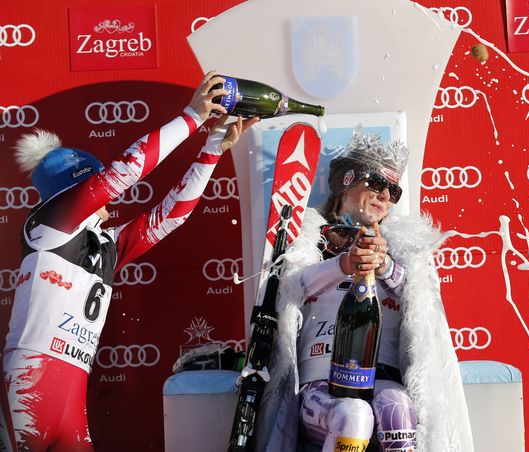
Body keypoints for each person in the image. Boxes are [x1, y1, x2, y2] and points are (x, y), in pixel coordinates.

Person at [1, 71, 258, 451]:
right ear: (76, 188)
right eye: (95, 187)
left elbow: (170, 216)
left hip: (71, 383)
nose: (108, 199)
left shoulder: (102, 242)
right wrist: (191, 116)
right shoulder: (50, 223)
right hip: (31, 376)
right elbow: (126, 171)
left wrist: (212, 149)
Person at [254, 128, 473, 452]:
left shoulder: (404, 248)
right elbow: (289, 291)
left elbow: (421, 304)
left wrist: (383, 265)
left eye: (394, 191)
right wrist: (343, 264)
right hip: (320, 385)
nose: (386, 195)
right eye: (377, 183)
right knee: (352, 414)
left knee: (397, 406)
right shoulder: (308, 238)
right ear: (347, 180)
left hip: (383, 378)